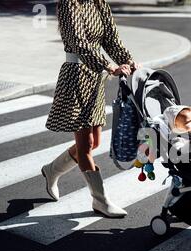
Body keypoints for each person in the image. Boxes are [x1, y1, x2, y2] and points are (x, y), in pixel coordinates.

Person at [42, 0, 141, 218]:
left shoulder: (98, 3)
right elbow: (79, 44)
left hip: (95, 78)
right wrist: (109, 66)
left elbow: (111, 38)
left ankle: (52, 170)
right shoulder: (70, 4)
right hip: (76, 76)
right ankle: (100, 200)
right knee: (85, 144)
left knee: (94, 142)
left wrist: (127, 60)